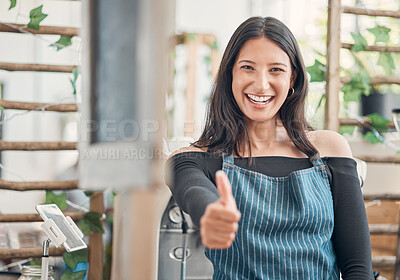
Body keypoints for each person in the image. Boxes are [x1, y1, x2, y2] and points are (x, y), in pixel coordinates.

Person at [166, 16, 374, 279]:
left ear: (293, 77)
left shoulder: (329, 148)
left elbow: (357, 267)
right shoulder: (195, 159)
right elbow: (193, 188)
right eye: (248, 68)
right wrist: (211, 213)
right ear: (230, 73)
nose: (261, 84)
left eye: (276, 69)